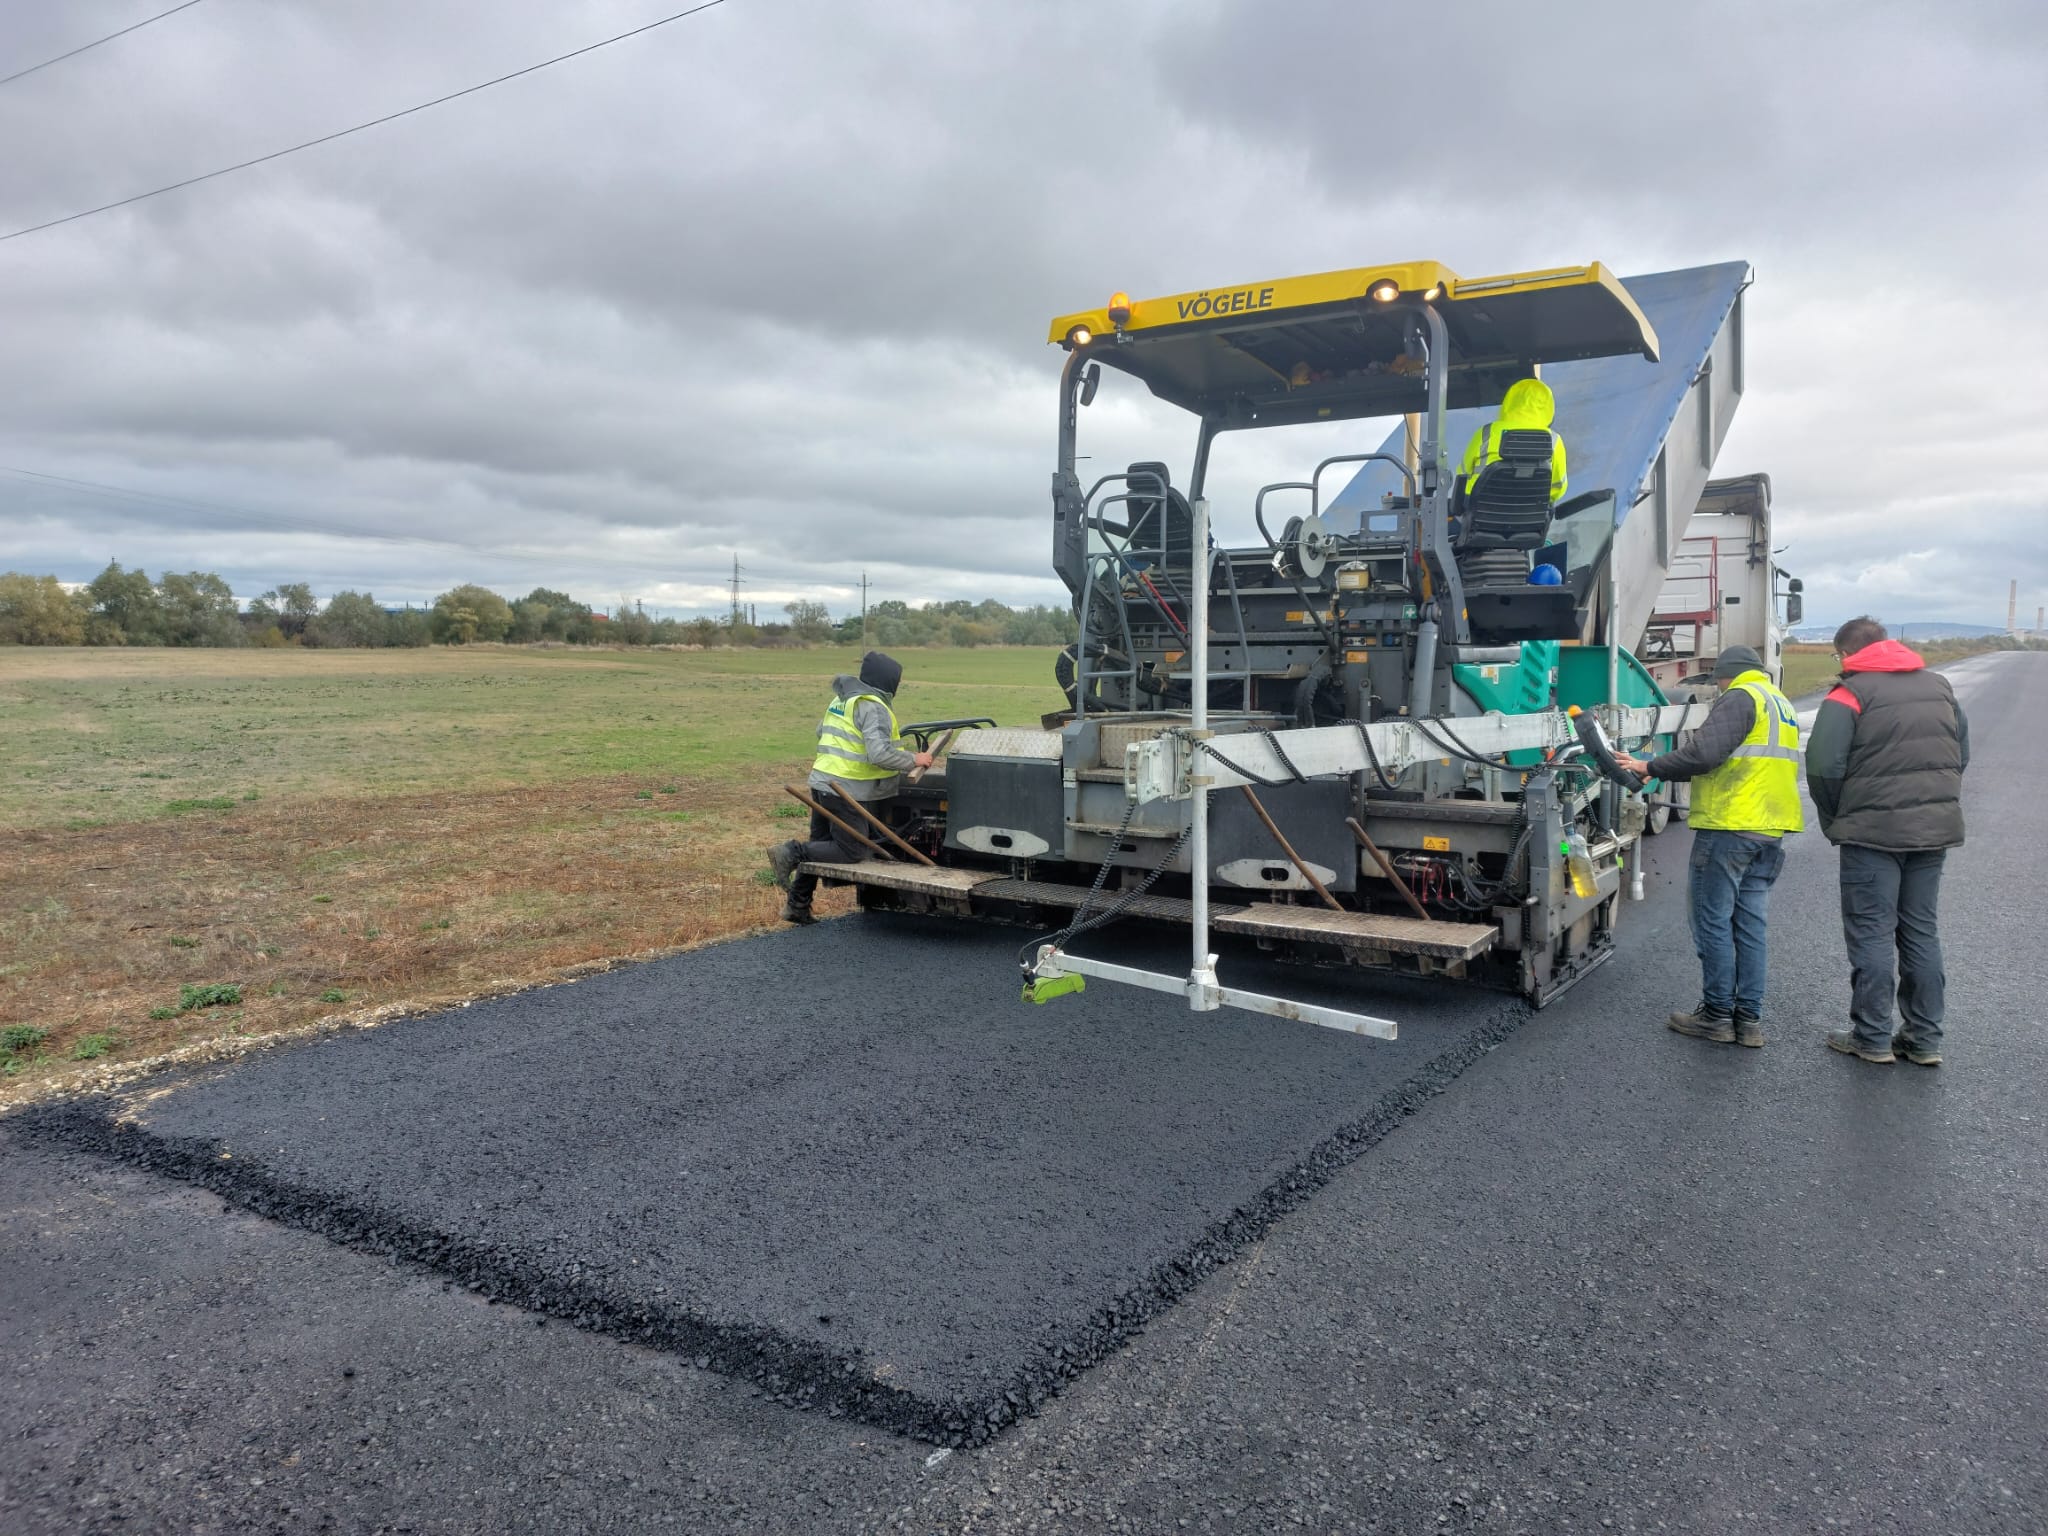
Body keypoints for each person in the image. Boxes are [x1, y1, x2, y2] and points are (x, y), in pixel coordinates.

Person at [1615, 646, 1804, 1047]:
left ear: (1724, 675)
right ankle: (1747, 1020)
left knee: (1712, 920)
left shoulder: (1740, 696)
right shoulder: (1778, 702)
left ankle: (1717, 1015)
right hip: (1769, 828)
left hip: (1730, 825)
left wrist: (1648, 766)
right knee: (1750, 926)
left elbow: (1705, 754)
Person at [1804, 617, 1968, 1066]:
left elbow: (1822, 767)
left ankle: (1872, 1036)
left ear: (1847, 653)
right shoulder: (1940, 688)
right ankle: (1924, 1039)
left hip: (1871, 835)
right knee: (1920, 930)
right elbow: (1961, 754)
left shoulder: (1849, 694)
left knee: (1872, 932)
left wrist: (1838, 817)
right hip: (1932, 832)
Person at [766, 650, 932, 925]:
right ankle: (791, 852)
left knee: (820, 846)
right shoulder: (874, 706)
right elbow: (878, 754)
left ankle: (797, 905)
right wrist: (915, 759)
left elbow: (821, 732)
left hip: (822, 781)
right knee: (851, 850)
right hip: (844, 788)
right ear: (888, 682)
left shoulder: (843, 699)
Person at [1458, 377, 1568, 505]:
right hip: (1531, 514)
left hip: (1480, 511)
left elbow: (1462, 475)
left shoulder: (1486, 433)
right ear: (1549, 409)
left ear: (1509, 402)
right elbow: (1558, 487)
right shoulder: (1554, 440)